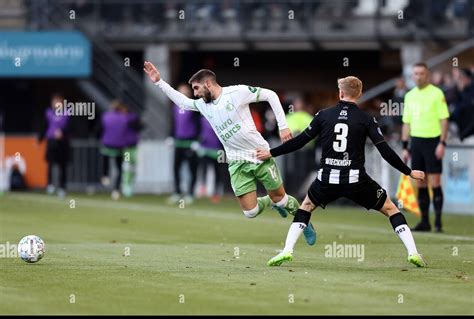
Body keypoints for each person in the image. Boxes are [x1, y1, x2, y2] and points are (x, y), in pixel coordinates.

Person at [256, 76, 426, 268]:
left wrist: (271, 152)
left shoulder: (323, 115)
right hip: (356, 180)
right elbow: (385, 151)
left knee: (306, 206)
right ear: (359, 94)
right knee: (391, 209)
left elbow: (300, 141)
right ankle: (413, 252)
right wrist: (408, 171)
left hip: (327, 179)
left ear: (341, 93)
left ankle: (287, 250)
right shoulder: (366, 119)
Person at [143, 61, 316, 244]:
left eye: (196, 88)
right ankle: (270, 201)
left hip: (259, 154)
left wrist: (283, 127)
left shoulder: (236, 92)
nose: (195, 94)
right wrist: (159, 82)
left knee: (281, 200)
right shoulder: (203, 104)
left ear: (208, 83)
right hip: (236, 162)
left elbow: (270, 95)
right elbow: (183, 102)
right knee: (250, 212)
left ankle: (303, 221)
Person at [402, 62, 450, 232]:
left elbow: (444, 119)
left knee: (435, 182)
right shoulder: (409, 96)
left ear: (427, 74)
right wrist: (405, 146)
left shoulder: (437, 93)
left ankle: (437, 222)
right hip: (416, 143)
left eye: (421, 73)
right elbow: (406, 122)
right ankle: (424, 222)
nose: (418, 76)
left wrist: (442, 143)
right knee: (420, 182)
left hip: (433, 141)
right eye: (415, 73)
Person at [168, 84, 201, 205]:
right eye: (180, 91)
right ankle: (177, 192)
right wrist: (171, 136)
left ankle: (191, 193)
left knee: (192, 169)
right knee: (176, 168)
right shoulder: (174, 107)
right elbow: (173, 123)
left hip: (190, 142)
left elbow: (199, 124)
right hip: (178, 142)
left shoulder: (193, 106)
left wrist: (197, 141)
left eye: (184, 91)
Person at [38, 93, 71, 199]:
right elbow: (44, 126)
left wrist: (63, 133)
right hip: (51, 141)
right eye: (54, 102)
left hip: (63, 142)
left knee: (62, 165)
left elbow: (71, 127)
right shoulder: (48, 113)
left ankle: (62, 187)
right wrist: (40, 139)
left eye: (58, 102)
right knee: (50, 164)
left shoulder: (67, 113)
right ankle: (50, 184)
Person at [98, 100, 129, 200]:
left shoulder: (106, 116)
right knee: (119, 168)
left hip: (107, 143)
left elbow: (100, 129)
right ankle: (116, 190)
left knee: (105, 161)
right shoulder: (124, 118)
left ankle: (105, 176)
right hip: (119, 145)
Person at [197, 116, 225, 203]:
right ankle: (203, 189)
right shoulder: (202, 119)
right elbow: (199, 131)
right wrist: (199, 143)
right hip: (205, 149)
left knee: (218, 172)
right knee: (203, 169)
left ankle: (216, 193)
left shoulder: (219, 118)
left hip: (218, 150)